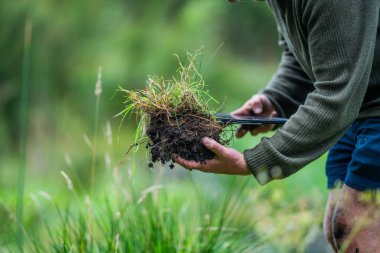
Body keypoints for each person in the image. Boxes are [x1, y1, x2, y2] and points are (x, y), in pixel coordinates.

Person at [173, 0, 380, 252]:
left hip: (365, 107)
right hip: (360, 109)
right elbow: (307, 55)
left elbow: (335, 95)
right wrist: (276, 97)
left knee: (356, 229)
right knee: (338, 231)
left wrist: (256, 161)